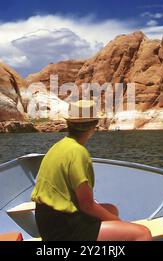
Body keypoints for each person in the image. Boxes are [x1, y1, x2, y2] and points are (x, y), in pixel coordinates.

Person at [31, 100, 152, 241]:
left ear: (69, 124)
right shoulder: (78, 152)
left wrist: (113, 218)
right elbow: (87, 206)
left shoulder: (59, 146)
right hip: (65, 229)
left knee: (112, 209)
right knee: (142, 233)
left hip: (46, 221)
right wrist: (120, 223)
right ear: (94, 125)